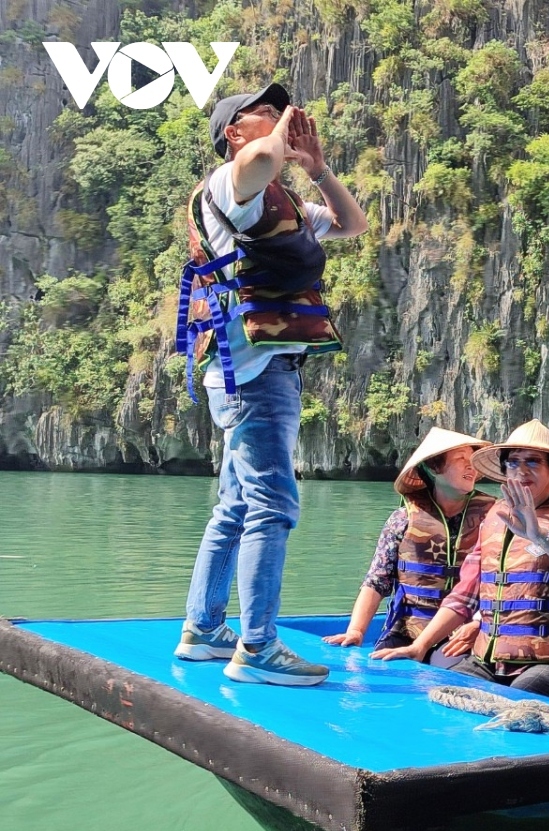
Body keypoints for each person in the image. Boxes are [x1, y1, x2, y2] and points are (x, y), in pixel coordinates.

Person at [174, 83, 368, 686]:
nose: (284, 118)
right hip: (254, 372)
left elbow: (350, 224)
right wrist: (280, 139)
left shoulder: (277, 196)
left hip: (254, 369)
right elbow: (258, 160)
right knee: (272, 506)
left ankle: (203, 631)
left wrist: (318, 168)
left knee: (235, 505)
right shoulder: (232, 183)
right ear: (235, 133)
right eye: (266, 113)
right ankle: (257, 649)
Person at [372, 421, 549, 697]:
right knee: (442, 697)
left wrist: (538, 534)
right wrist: (419, 646)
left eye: (533, 462)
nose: (522, 470)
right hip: (489, 658)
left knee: (516, 700)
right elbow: (463, 596)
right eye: (513, 463)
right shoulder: (494, 517)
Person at [322, 428, 494, 663]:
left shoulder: (494, 517)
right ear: (435, 468)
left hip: (464, 633)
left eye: (472, 459)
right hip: (408, 630)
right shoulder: (403, 519)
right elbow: (376, 580)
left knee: (451, 664)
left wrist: (479, 624)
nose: (470, 466)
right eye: (460, 459)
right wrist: (357, 630)